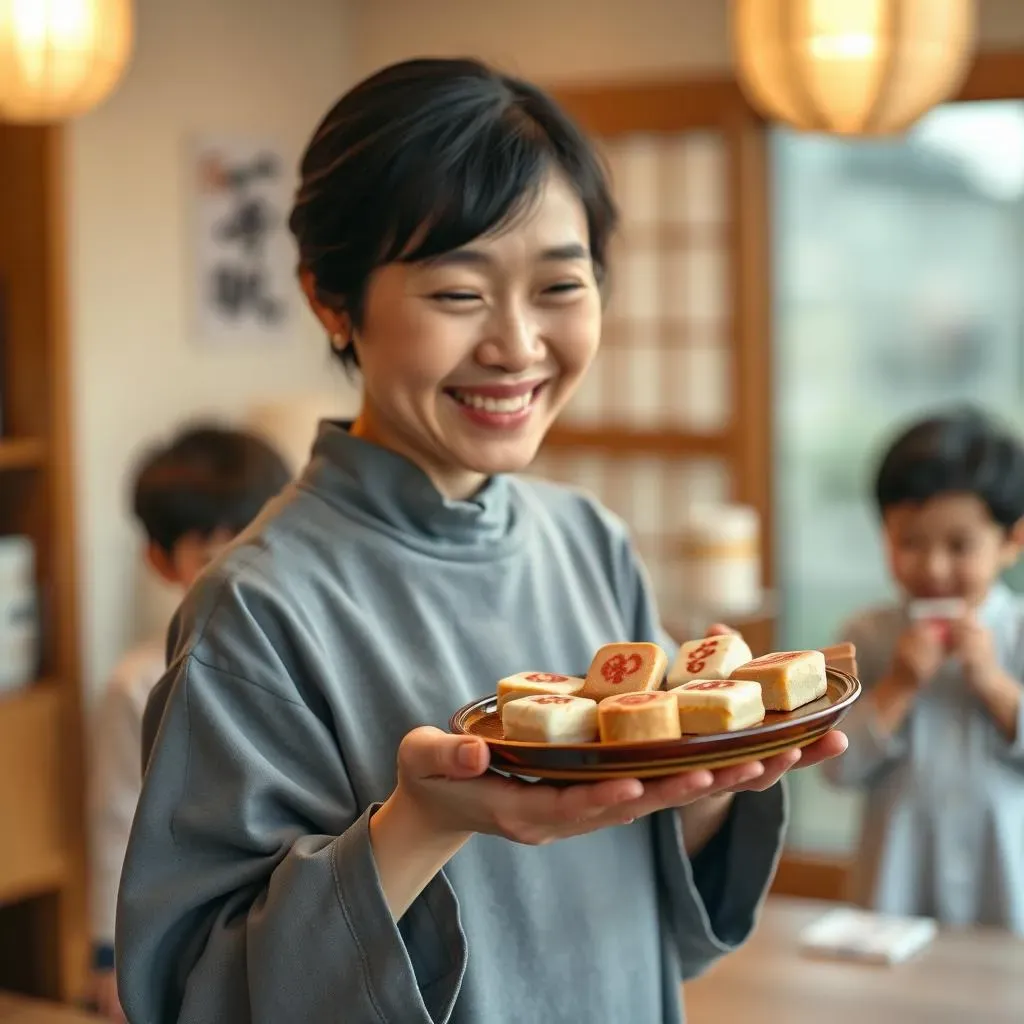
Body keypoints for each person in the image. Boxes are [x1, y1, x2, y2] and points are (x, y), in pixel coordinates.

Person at [116, 58, 846, 1023]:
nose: (516, 344)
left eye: (559, 285)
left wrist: (710, 784)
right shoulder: (255, 607)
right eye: (458, 294)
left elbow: (648, 936)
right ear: (332, 299)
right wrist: (423, 821)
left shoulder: (589, 541)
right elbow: (198, 996)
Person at [88, 425, 291, 1021]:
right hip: (182, 924)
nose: (235, 575)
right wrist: (108, 954)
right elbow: (115, 821)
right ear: (160, 560)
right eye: (210, 557)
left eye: (254, 547)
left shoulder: (298, 659)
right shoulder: (138, 682)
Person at [824, 408, 1024, 932]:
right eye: (909, 542)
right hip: (893, 883)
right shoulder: (865, 634)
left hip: (1006, 885)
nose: (933, 567)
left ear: (1012, 541)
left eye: (959, 546)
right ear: (884, 536)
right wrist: (897, 686)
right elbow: (834, 766)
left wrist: (994, 684)